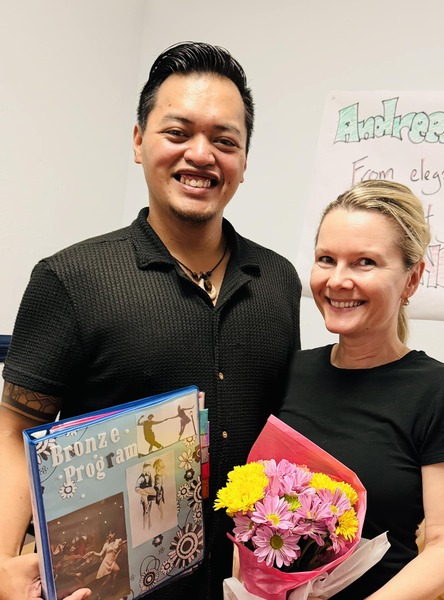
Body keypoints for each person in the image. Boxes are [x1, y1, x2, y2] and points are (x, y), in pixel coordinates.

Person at [0, 41, 301, 600]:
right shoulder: (70, 278)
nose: (201, 155)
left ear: (244, 160)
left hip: (247, 587)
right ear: (139, 141)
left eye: (224, 140)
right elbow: (13, 433)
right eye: (178, 132)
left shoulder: (278, 280)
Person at [278, 180, 444, 599]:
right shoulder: (290, 370)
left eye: (365, 263)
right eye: (326, 259)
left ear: (412, 279)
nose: (338, 280)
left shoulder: (443, 392)